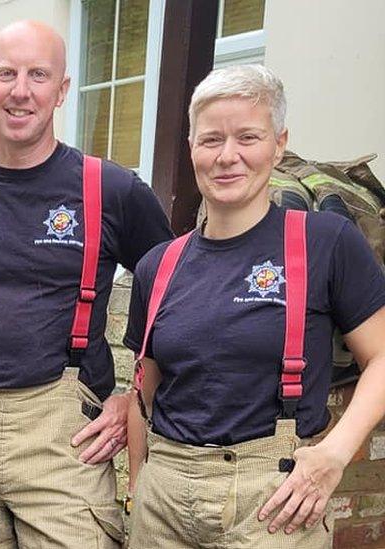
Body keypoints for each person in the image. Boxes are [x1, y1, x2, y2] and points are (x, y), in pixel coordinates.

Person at [0, 20, 173, 548]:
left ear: (62, 90)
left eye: (38, 74)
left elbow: (177, 301)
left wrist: (132, 401)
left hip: (65, 444)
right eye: (6, 74)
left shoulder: (111, 191)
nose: (20, 90)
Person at [124, 64, 385, 548]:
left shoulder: (324, 242)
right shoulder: (157, 265)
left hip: (274, 502)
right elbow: (145, 391)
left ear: (279, 144)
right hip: (163, 500)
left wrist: (334, 453)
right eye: (211, 140)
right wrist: (139, 484)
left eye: (248, 137)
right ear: (191, 148)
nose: (228, 157)